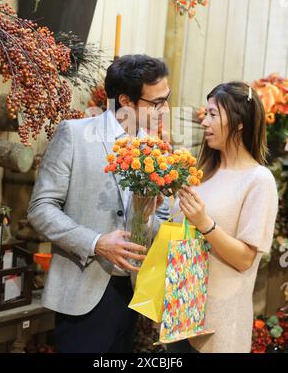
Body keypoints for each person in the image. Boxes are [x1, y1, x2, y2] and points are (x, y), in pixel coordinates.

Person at [27, 54, 171, 353]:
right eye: (156, 103)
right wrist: (96, 242)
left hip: (133, 292)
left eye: (167, 100)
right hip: (83, 289)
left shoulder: (156, 149)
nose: (165, 110)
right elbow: (41, 208)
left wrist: (149, 215)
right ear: (126, 101)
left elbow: (159, 226)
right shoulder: (75, 134)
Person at [170, 81, 278, 353]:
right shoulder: (201, 172)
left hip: (220, 325)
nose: (204, 122)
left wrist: (205, 224)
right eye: (205, 114)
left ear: (240, 122)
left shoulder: (259, 180)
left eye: (213, 114)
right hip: (180, 313)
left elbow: (245, 259)